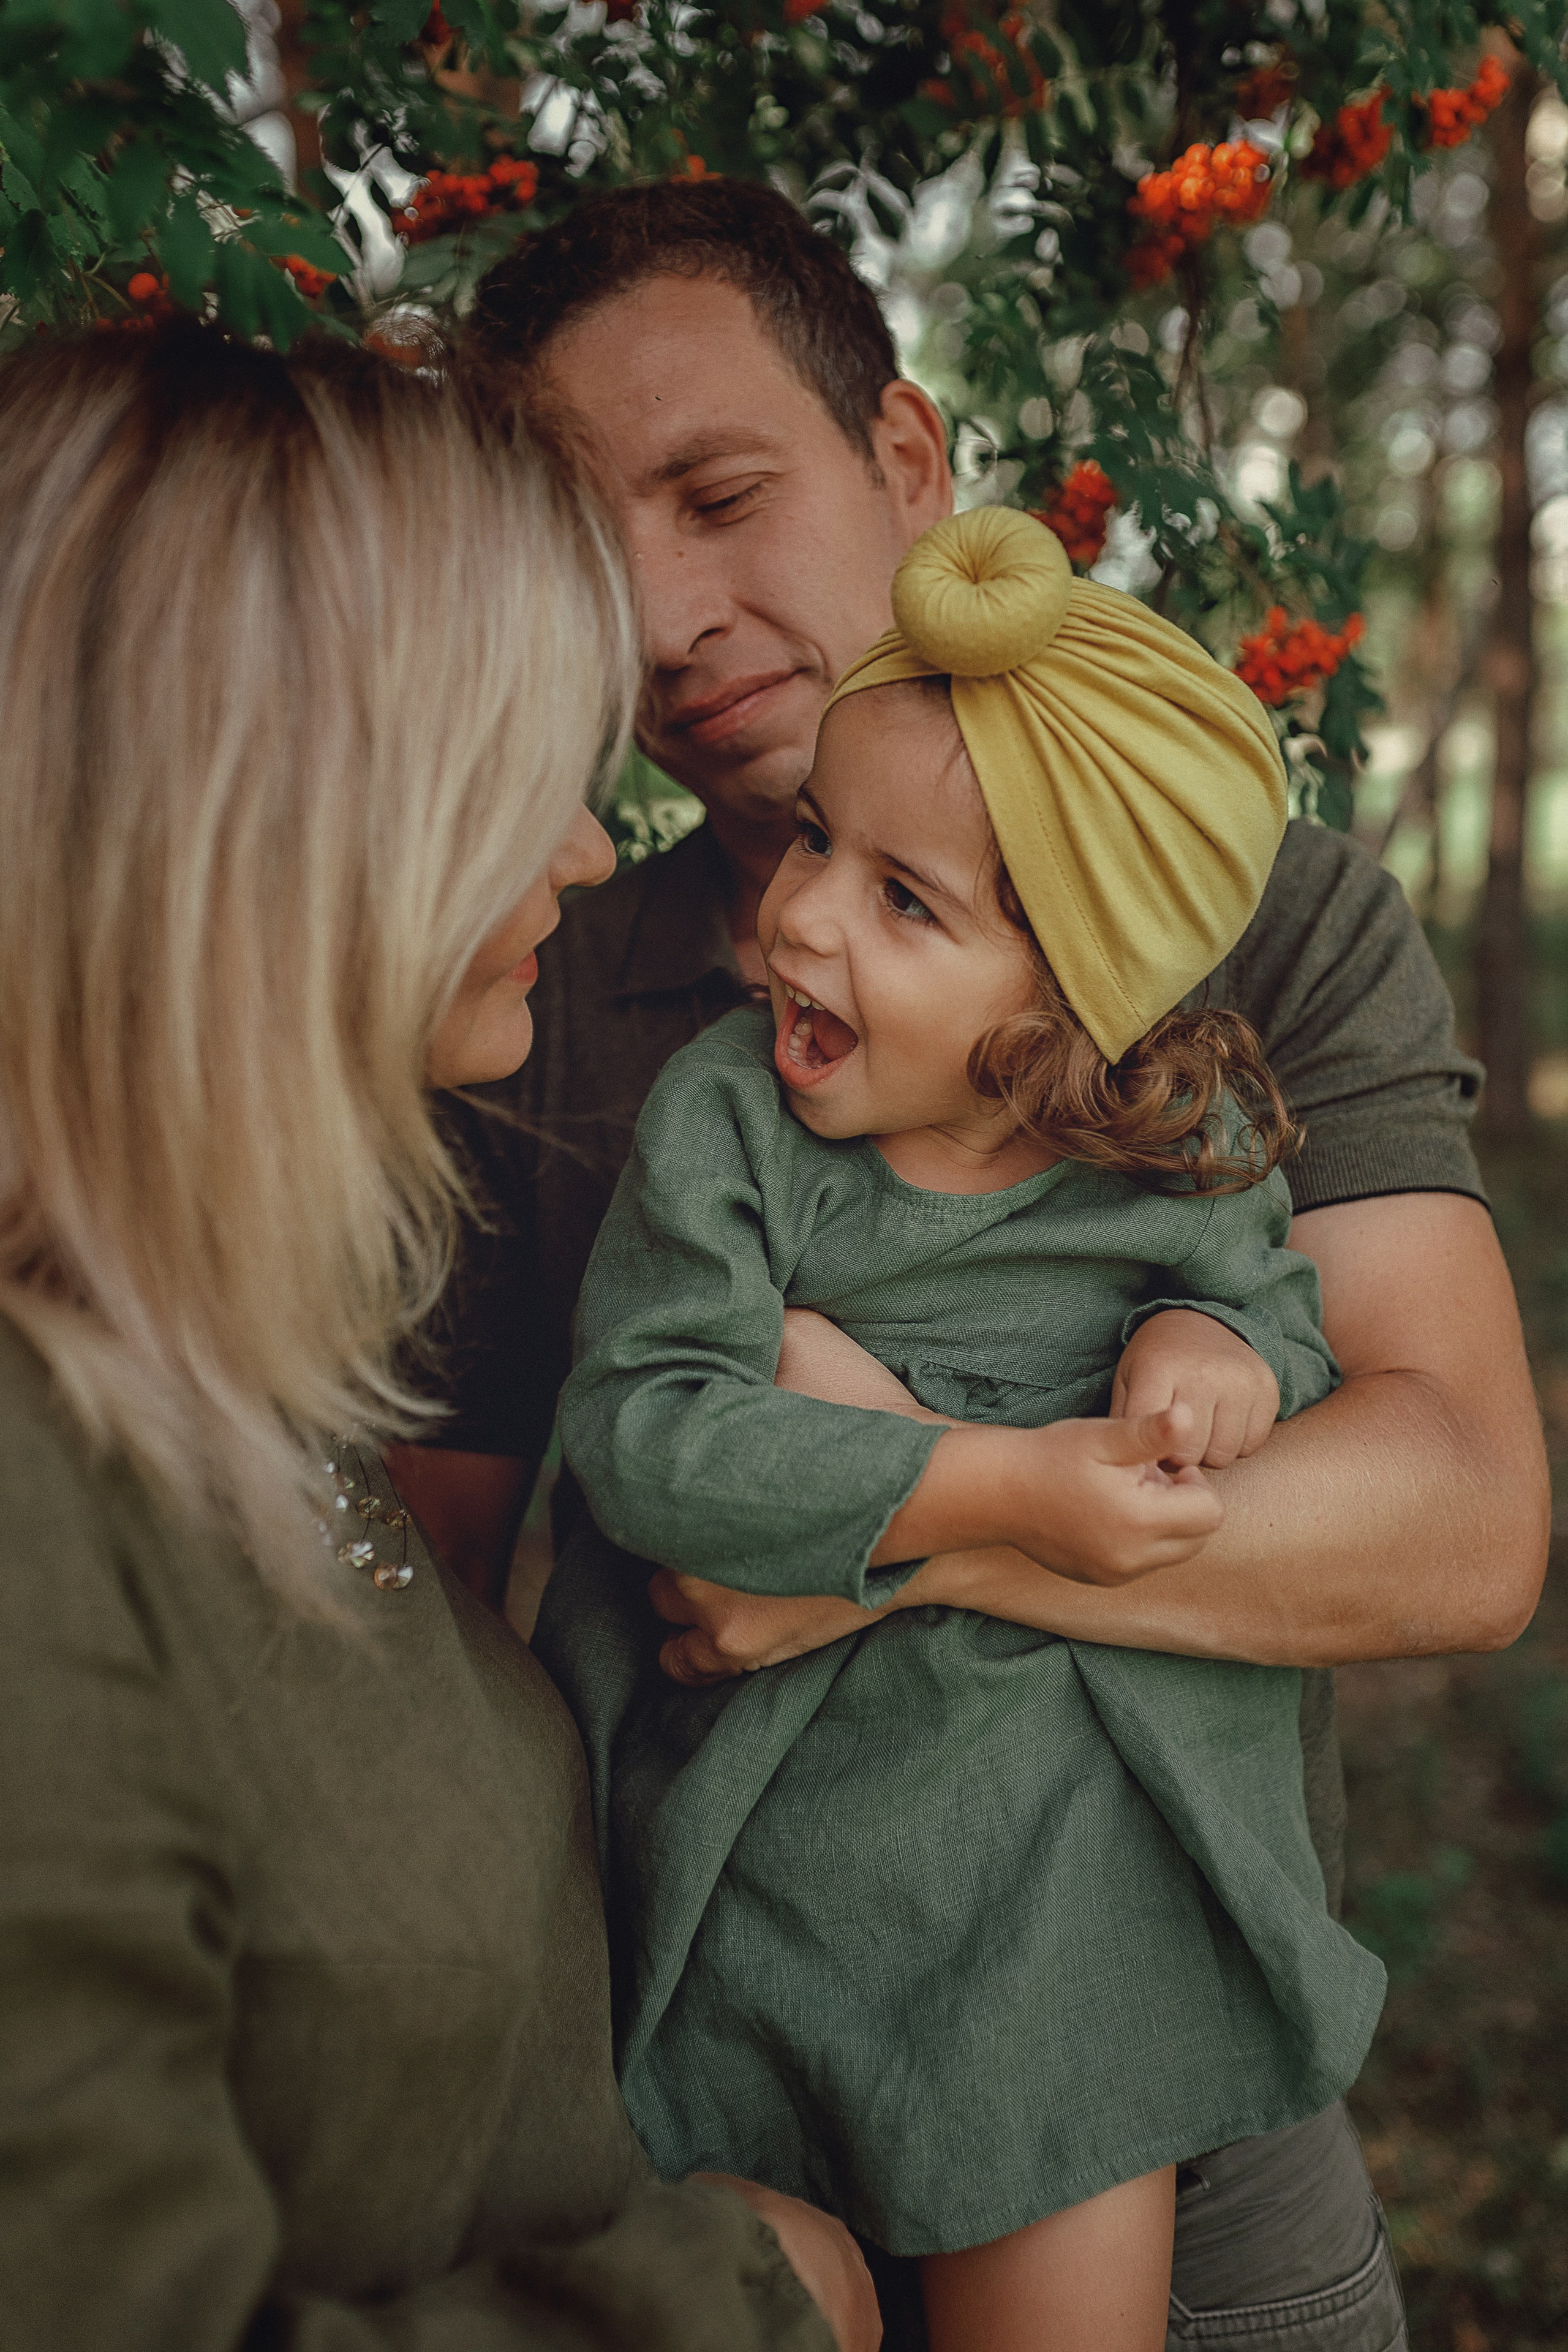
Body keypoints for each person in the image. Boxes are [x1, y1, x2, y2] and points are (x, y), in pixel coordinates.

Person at [388, 179, 1550, 2347]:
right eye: (582, 544)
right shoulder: (536, 995)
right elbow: (444, 1630)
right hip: (717, 2061)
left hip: (1153, 2062)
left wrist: (889, 1519)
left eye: (720, 495)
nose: (657, 610)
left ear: (908, 467)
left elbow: (1462, 1521)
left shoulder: (1239, 928)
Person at [0, 322, 878, 2352]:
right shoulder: (31, 1492)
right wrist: (743, 2299)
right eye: (515, 781)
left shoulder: (225, 1359)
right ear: (272, 827)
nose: (587, 848)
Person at [535, 504, 1390, 2352]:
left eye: (905, 902)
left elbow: (1283, 1332)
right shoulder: (729, 1127)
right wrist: (1004, 1479)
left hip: (1062, 1926)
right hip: (776, 1868)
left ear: (1075, 1013)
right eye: (823, 844)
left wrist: (1207, 1337)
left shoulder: (1180, 1151)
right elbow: (649, 1432)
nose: (805, 916)